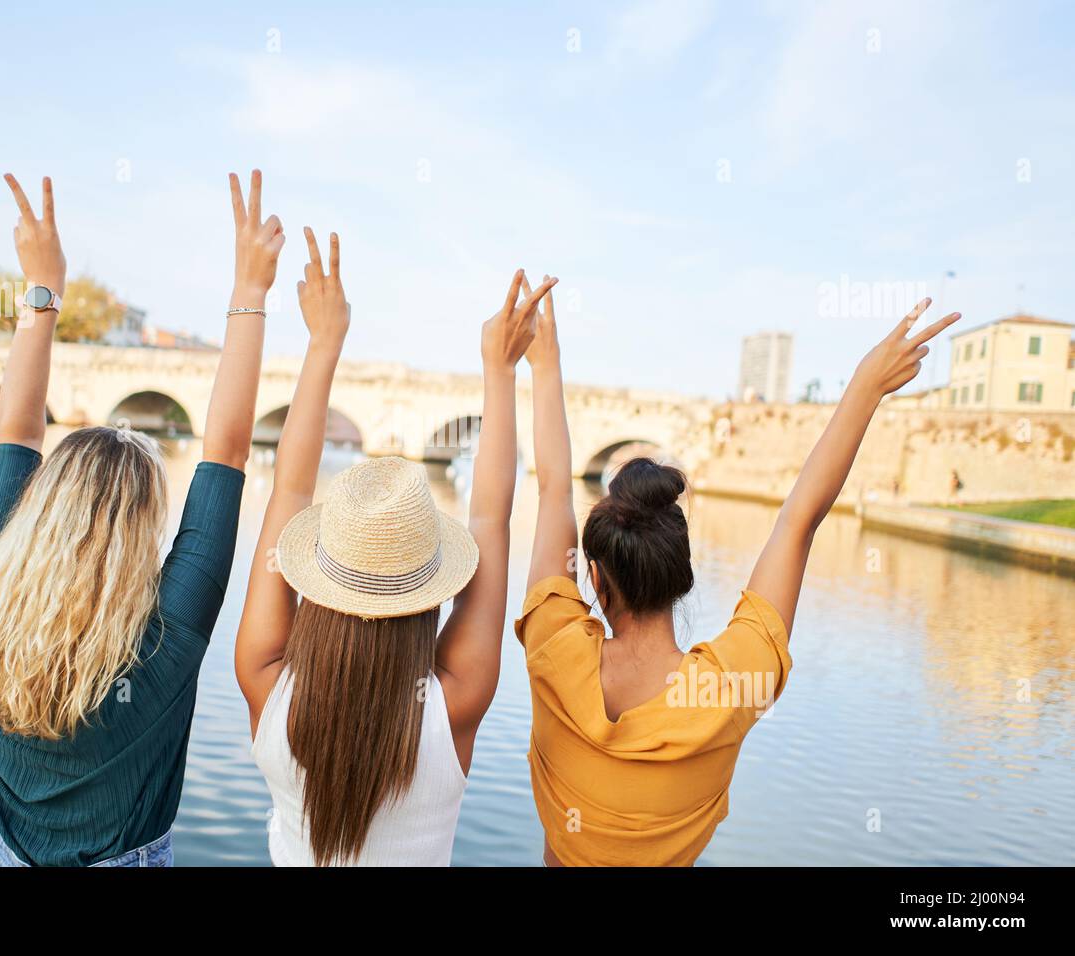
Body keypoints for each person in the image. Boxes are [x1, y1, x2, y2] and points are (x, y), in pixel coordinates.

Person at [517, 294, 961, 866]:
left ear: (595, 580)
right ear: (682, 573)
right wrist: (864, 389)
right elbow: (798, 520)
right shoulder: (725, 690)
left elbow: (553, 488)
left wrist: (543, 364)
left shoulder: (554, 652)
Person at [0, 169, 284, 866]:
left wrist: (43, 291)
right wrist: (250, 292)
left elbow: (15, 432)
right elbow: (224, 450)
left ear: (40, 512)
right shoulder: (163, 645)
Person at [234, 235, 556, 866]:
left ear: (320, 577)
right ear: (428, 590)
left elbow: (289, 490)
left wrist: (323, 342)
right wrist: (501, 370)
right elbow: (490, 519)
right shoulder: (454, 704)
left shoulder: (265, 680)